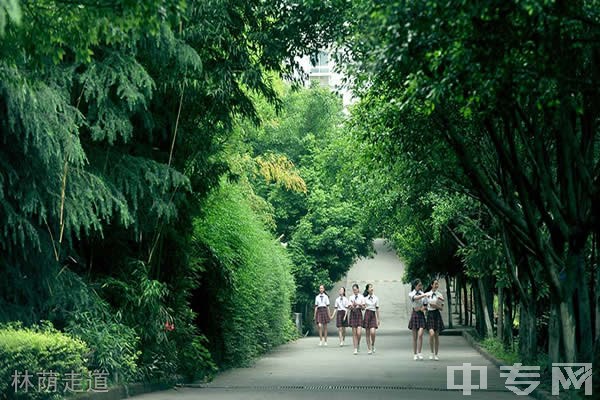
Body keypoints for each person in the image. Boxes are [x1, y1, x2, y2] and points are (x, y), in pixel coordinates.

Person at [408, 278, 428, 360]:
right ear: (415, 286)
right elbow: (415, 298)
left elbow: (425, 304)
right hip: (414, 314)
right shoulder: (411, 294)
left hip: (421, 315)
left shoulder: (422, 293)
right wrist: (424, 295)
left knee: (420, 334)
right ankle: (415, 354)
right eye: (419, 285)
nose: (420, 286)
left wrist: (423, 308)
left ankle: (419, 352)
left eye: (421, 285)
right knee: (415, 337)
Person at [425, 279, 445, 360]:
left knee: (436, 335)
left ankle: (436, 354)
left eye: (437, 284)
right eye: (435, 284)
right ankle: (431, 352)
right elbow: (425, 305)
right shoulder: (427, 294)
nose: (437, 285)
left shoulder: (440, 295)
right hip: (430, 314)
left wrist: (436, 306)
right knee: (431, 334)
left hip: (437, 314)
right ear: (431, 285)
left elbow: (441, 308)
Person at [362, 283, 380, 355]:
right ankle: (369, 348)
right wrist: (362, 306)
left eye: (372, 287)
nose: (372, 288)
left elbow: (377, 309)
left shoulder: (376, 298)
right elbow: (363, 308)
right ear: (367, 290)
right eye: (370, 288)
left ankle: (373, 344)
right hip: (367, 314)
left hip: (373, 314)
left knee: (373, 332)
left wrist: (378, 319)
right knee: (367, 333)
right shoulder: (365, 298)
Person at [348, 283, 365, 355]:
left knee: (359, 333)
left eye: (355, 289)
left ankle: (358, 344)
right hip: (353, 313)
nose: (354, 291)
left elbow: (364, 308)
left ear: (358, 289)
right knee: (354, 333)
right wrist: (352, 305)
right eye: (353, 290)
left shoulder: (361, 297)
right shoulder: (351, 297)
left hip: (359, 313)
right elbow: (349, 307)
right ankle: (355, 348)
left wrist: (360, 305)